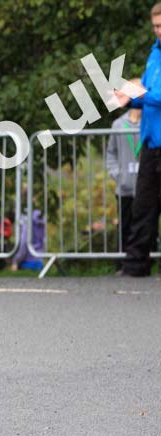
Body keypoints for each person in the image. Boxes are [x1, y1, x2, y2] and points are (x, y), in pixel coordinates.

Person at [116, 3, 161, 277]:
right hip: (151, 142)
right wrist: (127, 97)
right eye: (156, 26)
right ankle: (135, 265)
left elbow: (155, 94)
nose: (159, 31)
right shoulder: (154, 54)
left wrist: (140, 94)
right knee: (143, 205)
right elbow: (146, 90)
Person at [106, 85, 142, 272]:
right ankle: (122, 263)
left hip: (147, 186)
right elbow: (111, 153)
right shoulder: (118, 125)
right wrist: (116, 173)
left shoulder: (150, 123)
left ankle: (147, 260)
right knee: (125, 224)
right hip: (125, 185)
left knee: (146, 225)